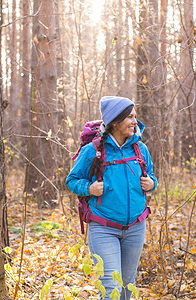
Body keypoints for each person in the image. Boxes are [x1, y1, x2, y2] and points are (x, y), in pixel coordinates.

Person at [66, 96, 157, 300]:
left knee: (127, 288)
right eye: (130, 117)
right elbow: (72, 180)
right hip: (103, 228)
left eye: (135, 116)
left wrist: (152, 184)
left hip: (135, 228)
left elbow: (151, 176)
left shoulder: (140, 149)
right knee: (111, 289)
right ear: (115, 121)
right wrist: (89, 188)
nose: (135, 122)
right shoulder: (94, 150)